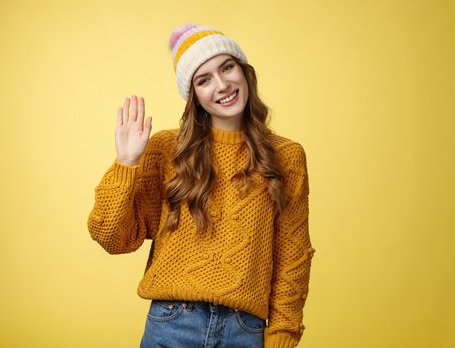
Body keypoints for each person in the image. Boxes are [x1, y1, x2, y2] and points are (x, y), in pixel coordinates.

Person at [87, 22, 316, 348]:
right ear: (193, 94)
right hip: (172, 324)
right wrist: (126, 163)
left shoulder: (286, 157)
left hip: (245, 331)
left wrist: (283, 335)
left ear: (244, 71)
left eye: (227, 67)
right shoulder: (167, 150)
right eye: (204, 79)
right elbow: (112, 238)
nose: (222, 85)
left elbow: (293, 255)